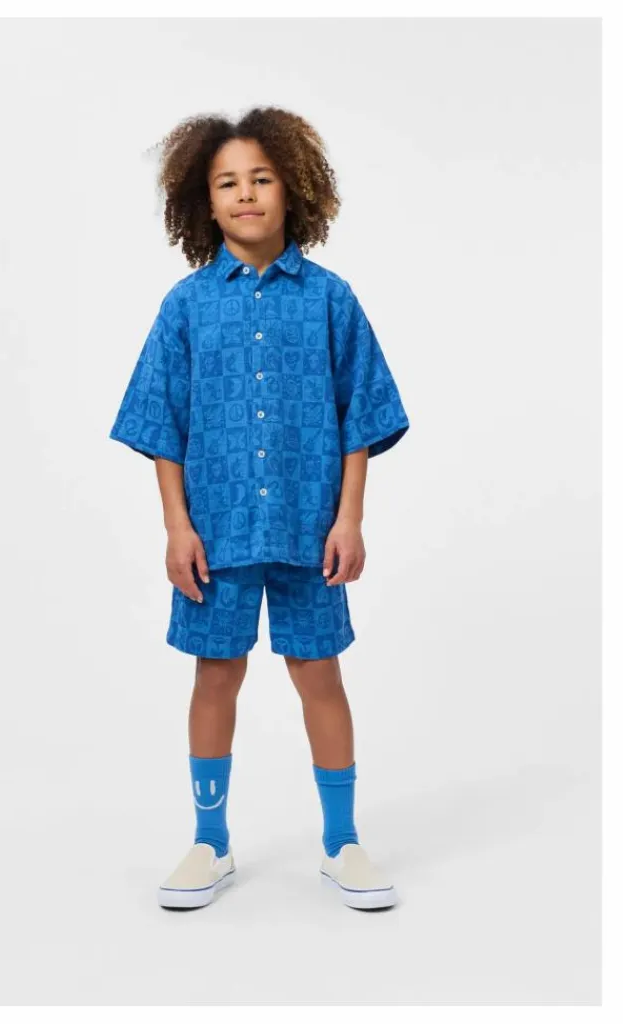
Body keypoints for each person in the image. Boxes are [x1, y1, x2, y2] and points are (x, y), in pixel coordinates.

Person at [109, 107, 410, 911]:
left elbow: (360, 417)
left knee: (319, 672)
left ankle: (342, 842)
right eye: (227, 183)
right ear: (204, 202)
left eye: (261, 178)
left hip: (311, 530)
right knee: (216, 674)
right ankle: (210, 842)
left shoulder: (331, 300)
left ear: (292, 188)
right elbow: (162, 425)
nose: (245, 194)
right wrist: (177, 527)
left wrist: (349, 519)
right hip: (216, 531)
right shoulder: (185, 306)